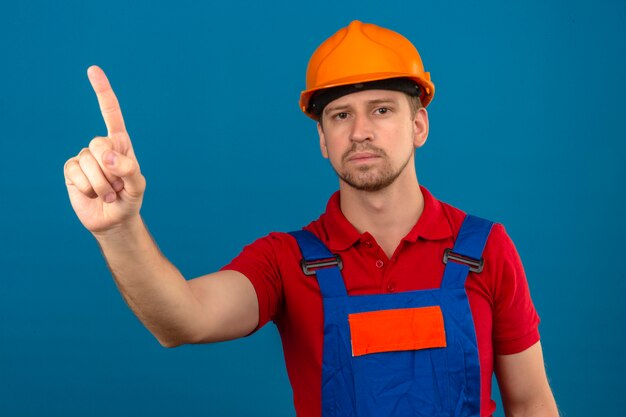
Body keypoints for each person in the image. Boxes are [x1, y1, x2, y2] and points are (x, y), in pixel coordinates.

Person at [63, 20, 559, 417]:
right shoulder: (287, 261)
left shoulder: (483, 249)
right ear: (323, 139)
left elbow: (532, 403)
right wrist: (119, 228)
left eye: (382, 109)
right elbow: (183, 320)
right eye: (340, 115)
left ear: (419, 125)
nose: (360, 131)